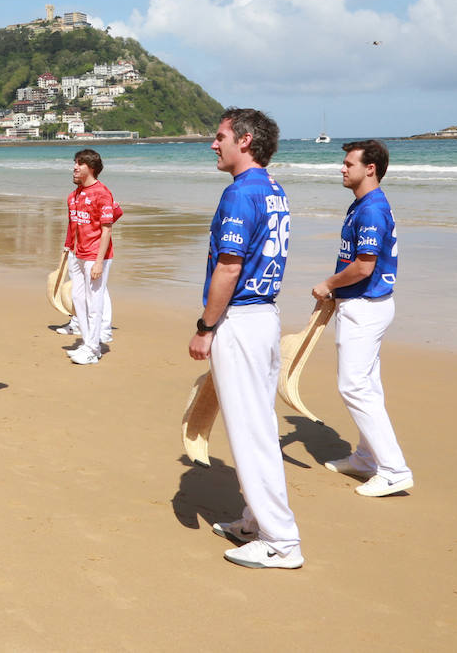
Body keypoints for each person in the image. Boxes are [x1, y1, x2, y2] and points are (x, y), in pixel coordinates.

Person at [189, 108, 303, 570]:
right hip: (263, 316)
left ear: (246, 140)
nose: (214, 144)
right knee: (257, 422)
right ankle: (255, 520)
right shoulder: (273, 188)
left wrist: (205, 327)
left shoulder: (240, 194)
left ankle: (281, 541)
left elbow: (230, 266)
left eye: (220, 138)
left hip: (241, 318)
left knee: (250, 430)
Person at [311, 140, 413, 498]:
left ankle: (394, 469)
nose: (342, 168)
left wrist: (328, 285)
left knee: (353, 386)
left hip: (366, 306)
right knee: (367, 385)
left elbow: (364, 266)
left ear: (370, 168)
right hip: (366, 304)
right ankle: (367, 458)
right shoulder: (363, 204)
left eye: (348, 163)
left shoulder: (371, 209)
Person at [62, 149, 121, 364]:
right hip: (76, 254)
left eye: (80, 164)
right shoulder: (73, 195)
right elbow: (73, 224)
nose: (75, 167)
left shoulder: (102, 193)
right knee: (79, 299)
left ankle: (93, 347)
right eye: (75, 163)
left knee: (95, 302)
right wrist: (68, 247)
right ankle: (87, 344)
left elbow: (107, 228)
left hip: (95, 256)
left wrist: (98, 261)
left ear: (92, 168)